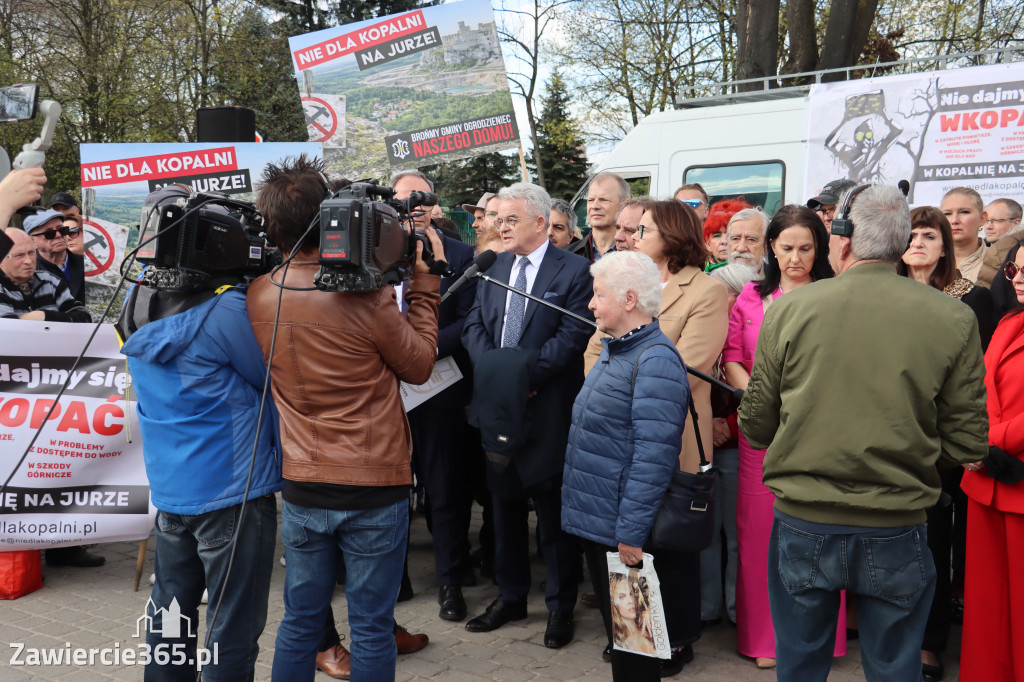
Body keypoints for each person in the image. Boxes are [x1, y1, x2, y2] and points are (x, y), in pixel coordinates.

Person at [738, 184, 988, 681]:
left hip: (804, 521)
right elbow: (968, 444)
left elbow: (757, 426)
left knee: (800, 665)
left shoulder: (788, 309)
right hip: (898, 520)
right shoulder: (954, 317)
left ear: (844, 239)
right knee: (896, 666)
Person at [246, 155, 445, 682]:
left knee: (302, 620)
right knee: (372, 626)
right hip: (373, 484)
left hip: (305, 484)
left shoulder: (260, 292)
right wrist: (425, 285)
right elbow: (421, 365)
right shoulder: (368, 297)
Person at [118, 185, 281, 681]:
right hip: (232, 489)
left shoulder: (136, 299)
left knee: (170, 614)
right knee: (232, 623)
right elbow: (271, 376)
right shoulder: (225, 311)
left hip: (173, 488)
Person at [586, 198, 729, 675]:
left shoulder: (704, 291)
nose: (632, 235)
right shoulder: (623, 282)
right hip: (616, 438)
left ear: (671, 236)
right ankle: (636, 636)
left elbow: (689, 366)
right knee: (629, 544)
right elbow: (594, 349)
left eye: (643, 229)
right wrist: (609, 391)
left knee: (669, 540)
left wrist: (618, 391)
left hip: (673, 434)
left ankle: (677, 638)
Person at [462, 182, 593, 649]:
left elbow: (572, 337)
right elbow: (475, 326)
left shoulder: (575, 270)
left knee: (553, 516)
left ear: (540, 222)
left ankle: (560, 607)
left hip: (547, 409)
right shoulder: (493, 266)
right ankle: (511, 595)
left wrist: (517, 377)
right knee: (505, 507)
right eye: (498, 219)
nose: (501, 226)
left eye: (510, 219)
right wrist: (499, 376)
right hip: (499, 411)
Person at [562, 249, 689, 681]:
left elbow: (653, 457)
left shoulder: (653, 359)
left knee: (635, 649)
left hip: (624, 532)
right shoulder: (618, 350)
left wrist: (630, 536)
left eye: (599, 295)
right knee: (625, 642)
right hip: (606, 523)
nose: (591, 304)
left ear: (630, 299)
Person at [723, 205, 840, 669]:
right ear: (771, 247)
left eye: (806, 248)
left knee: (821, 535)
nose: (796, 258)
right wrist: (758, 397)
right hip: (761, 434)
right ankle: (764, 640)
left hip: (819, 433)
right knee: (758, 537)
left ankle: (819, 640)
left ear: (820, 249)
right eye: (787, 248)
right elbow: (732, 355)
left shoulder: (833, 295)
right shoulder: (750, 297)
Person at [896, 205, 995, 679]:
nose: (918, 243)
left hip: (938, 443)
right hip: (887, 435)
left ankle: (930, 642)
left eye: (929, 236)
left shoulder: (970, 299)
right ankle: (891, 634)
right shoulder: (883, 294)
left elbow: (977, 379)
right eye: (911, 235)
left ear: (944, 247)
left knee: (933, 543)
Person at [392, 170, 479, 623]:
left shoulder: (464, 255)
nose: (415, 206)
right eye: (405, 198)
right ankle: (396, 579)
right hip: (388, 395)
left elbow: (469, 320)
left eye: (422, 197)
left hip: (440, 390)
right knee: (392, 491)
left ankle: (450, 579)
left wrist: (420, 351)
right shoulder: (376, 252)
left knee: (446, 490)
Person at [959, 246, 1024, 682]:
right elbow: (981, 391)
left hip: (1013, 478)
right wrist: (977, 444)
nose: (1018, 277)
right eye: (1016, 267)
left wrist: (983, 443)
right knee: (986, 606)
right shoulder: (1009, 322)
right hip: (986, 481)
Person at [701, 263, 761, 628]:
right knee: (707, 535)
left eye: (717, 293)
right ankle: (708, 607)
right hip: (706, 446)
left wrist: (731, 427)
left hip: (742, 450)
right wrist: (707, 424)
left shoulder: (755, 333)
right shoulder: (705, 332)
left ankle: (741, 610)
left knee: (739, 536)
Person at [0, 228, 90, 323]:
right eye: (19, 255)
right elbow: (7, 330)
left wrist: (45, 316)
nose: (28, 261)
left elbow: (84, 318)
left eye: (31, 253)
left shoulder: (50, 281)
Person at [24, 209, 86, 304]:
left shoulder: (87, 264)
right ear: (32, 242)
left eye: (62, 230)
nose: (58, 235)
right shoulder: (26, 273)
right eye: (49, 234)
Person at [571, 172, 628, 261]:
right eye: (590, 200)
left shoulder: (637, 256)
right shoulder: (569, 255)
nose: (595, 206)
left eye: (604, 200)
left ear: (623, 204)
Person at [941, 186, 988, 283]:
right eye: (947, 214)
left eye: (964, 212)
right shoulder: (928, 259)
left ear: (982, 218)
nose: (954, 221)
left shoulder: (998, 263)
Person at [609, 571, 657, 656]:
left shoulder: (647, 626)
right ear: (613, 603)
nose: (630, 601)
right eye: (622, 596)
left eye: (631, 594)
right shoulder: (619, 641)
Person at [704, 199, 752, 270]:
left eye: (733, 235)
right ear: (708, 244)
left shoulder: (759, 273)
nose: (724, 241)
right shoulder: (698, 272)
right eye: (717, 236)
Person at [725, 207, 770, 274]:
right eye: (735, 239)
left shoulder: (780, 281)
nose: (741, 248)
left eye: (751, 240)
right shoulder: (713, 281)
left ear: (766, 247)